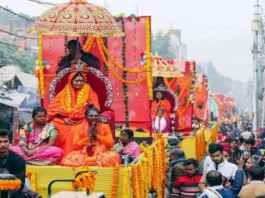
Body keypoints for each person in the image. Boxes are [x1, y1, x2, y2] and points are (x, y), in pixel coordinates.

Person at [48, 71, 100, 156]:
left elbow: (95, 109)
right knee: (53, 124)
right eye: (76, 81)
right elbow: (53, 108)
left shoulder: (90, 92)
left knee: (75, 130)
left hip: (82, 119)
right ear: (71, 81)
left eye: (81, 81)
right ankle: (57, 154)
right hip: (65, 119)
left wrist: (81, 115)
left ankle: (74, 155)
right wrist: (63, 118)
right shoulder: (64, 92)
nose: (79, 83)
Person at [0, 129, 25, 197]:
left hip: (11, 194)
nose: (3, 145)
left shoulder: (18, 160)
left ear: (9, 142)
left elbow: (20, 184)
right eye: (0, 142)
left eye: (5, 141)